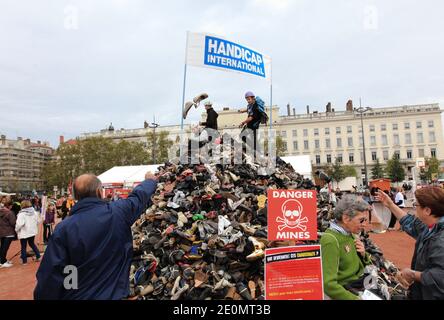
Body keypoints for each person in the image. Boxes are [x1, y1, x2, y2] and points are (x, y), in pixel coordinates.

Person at [34, 172, 158, 300]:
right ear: (99, 191)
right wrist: (150, 181)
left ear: (74, 196)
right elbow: (138, 197)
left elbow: (50, 277)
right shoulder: (118, 212)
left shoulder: (64, 228)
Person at [376, 187, 444, 299]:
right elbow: (410, 223)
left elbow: (440, 276)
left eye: (416, 205)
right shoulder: (432, 227)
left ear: (427, 210)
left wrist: (412, 274)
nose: (414, 208)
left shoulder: (440, 238)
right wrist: (390, 204)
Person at [320, 195, 372, 300]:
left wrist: (363, 255)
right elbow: (328, 284)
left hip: (359, 286)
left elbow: (359, 268)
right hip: (350, 293)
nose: (364, 225)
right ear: (346, 218)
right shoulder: (330, 241)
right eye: (361, 220)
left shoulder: (350, 234)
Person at [15, 200, 41, 265]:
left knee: (23, 246)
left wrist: (16, 230)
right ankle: (38, 256)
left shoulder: (21, 214)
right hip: (32, 231)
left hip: (24, 232)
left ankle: (24, 261)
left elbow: (19, 224)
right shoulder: (34, 212)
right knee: (32, 243)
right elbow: (38, 221)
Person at [239, 91, 263, 156]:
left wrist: (243, 122)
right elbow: (248, 109)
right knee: (242, 136)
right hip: (249, 125)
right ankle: (255, 149)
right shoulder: (250, 105)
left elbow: (250, 118)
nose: (248, 101)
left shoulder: (255, 106)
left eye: (249, 99)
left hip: (253, 125)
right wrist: (243, 111)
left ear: (253, 98)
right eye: (247, 99)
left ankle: (258, 153)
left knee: (253, 140)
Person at [0, 196, 16, 268]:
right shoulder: (9, 212)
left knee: (2, 247)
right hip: (8, 232)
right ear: (9, 206)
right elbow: (13, 223)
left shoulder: (1, 211)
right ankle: (2, 262)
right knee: (5, 248)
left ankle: (3, 260)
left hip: (2, 232)